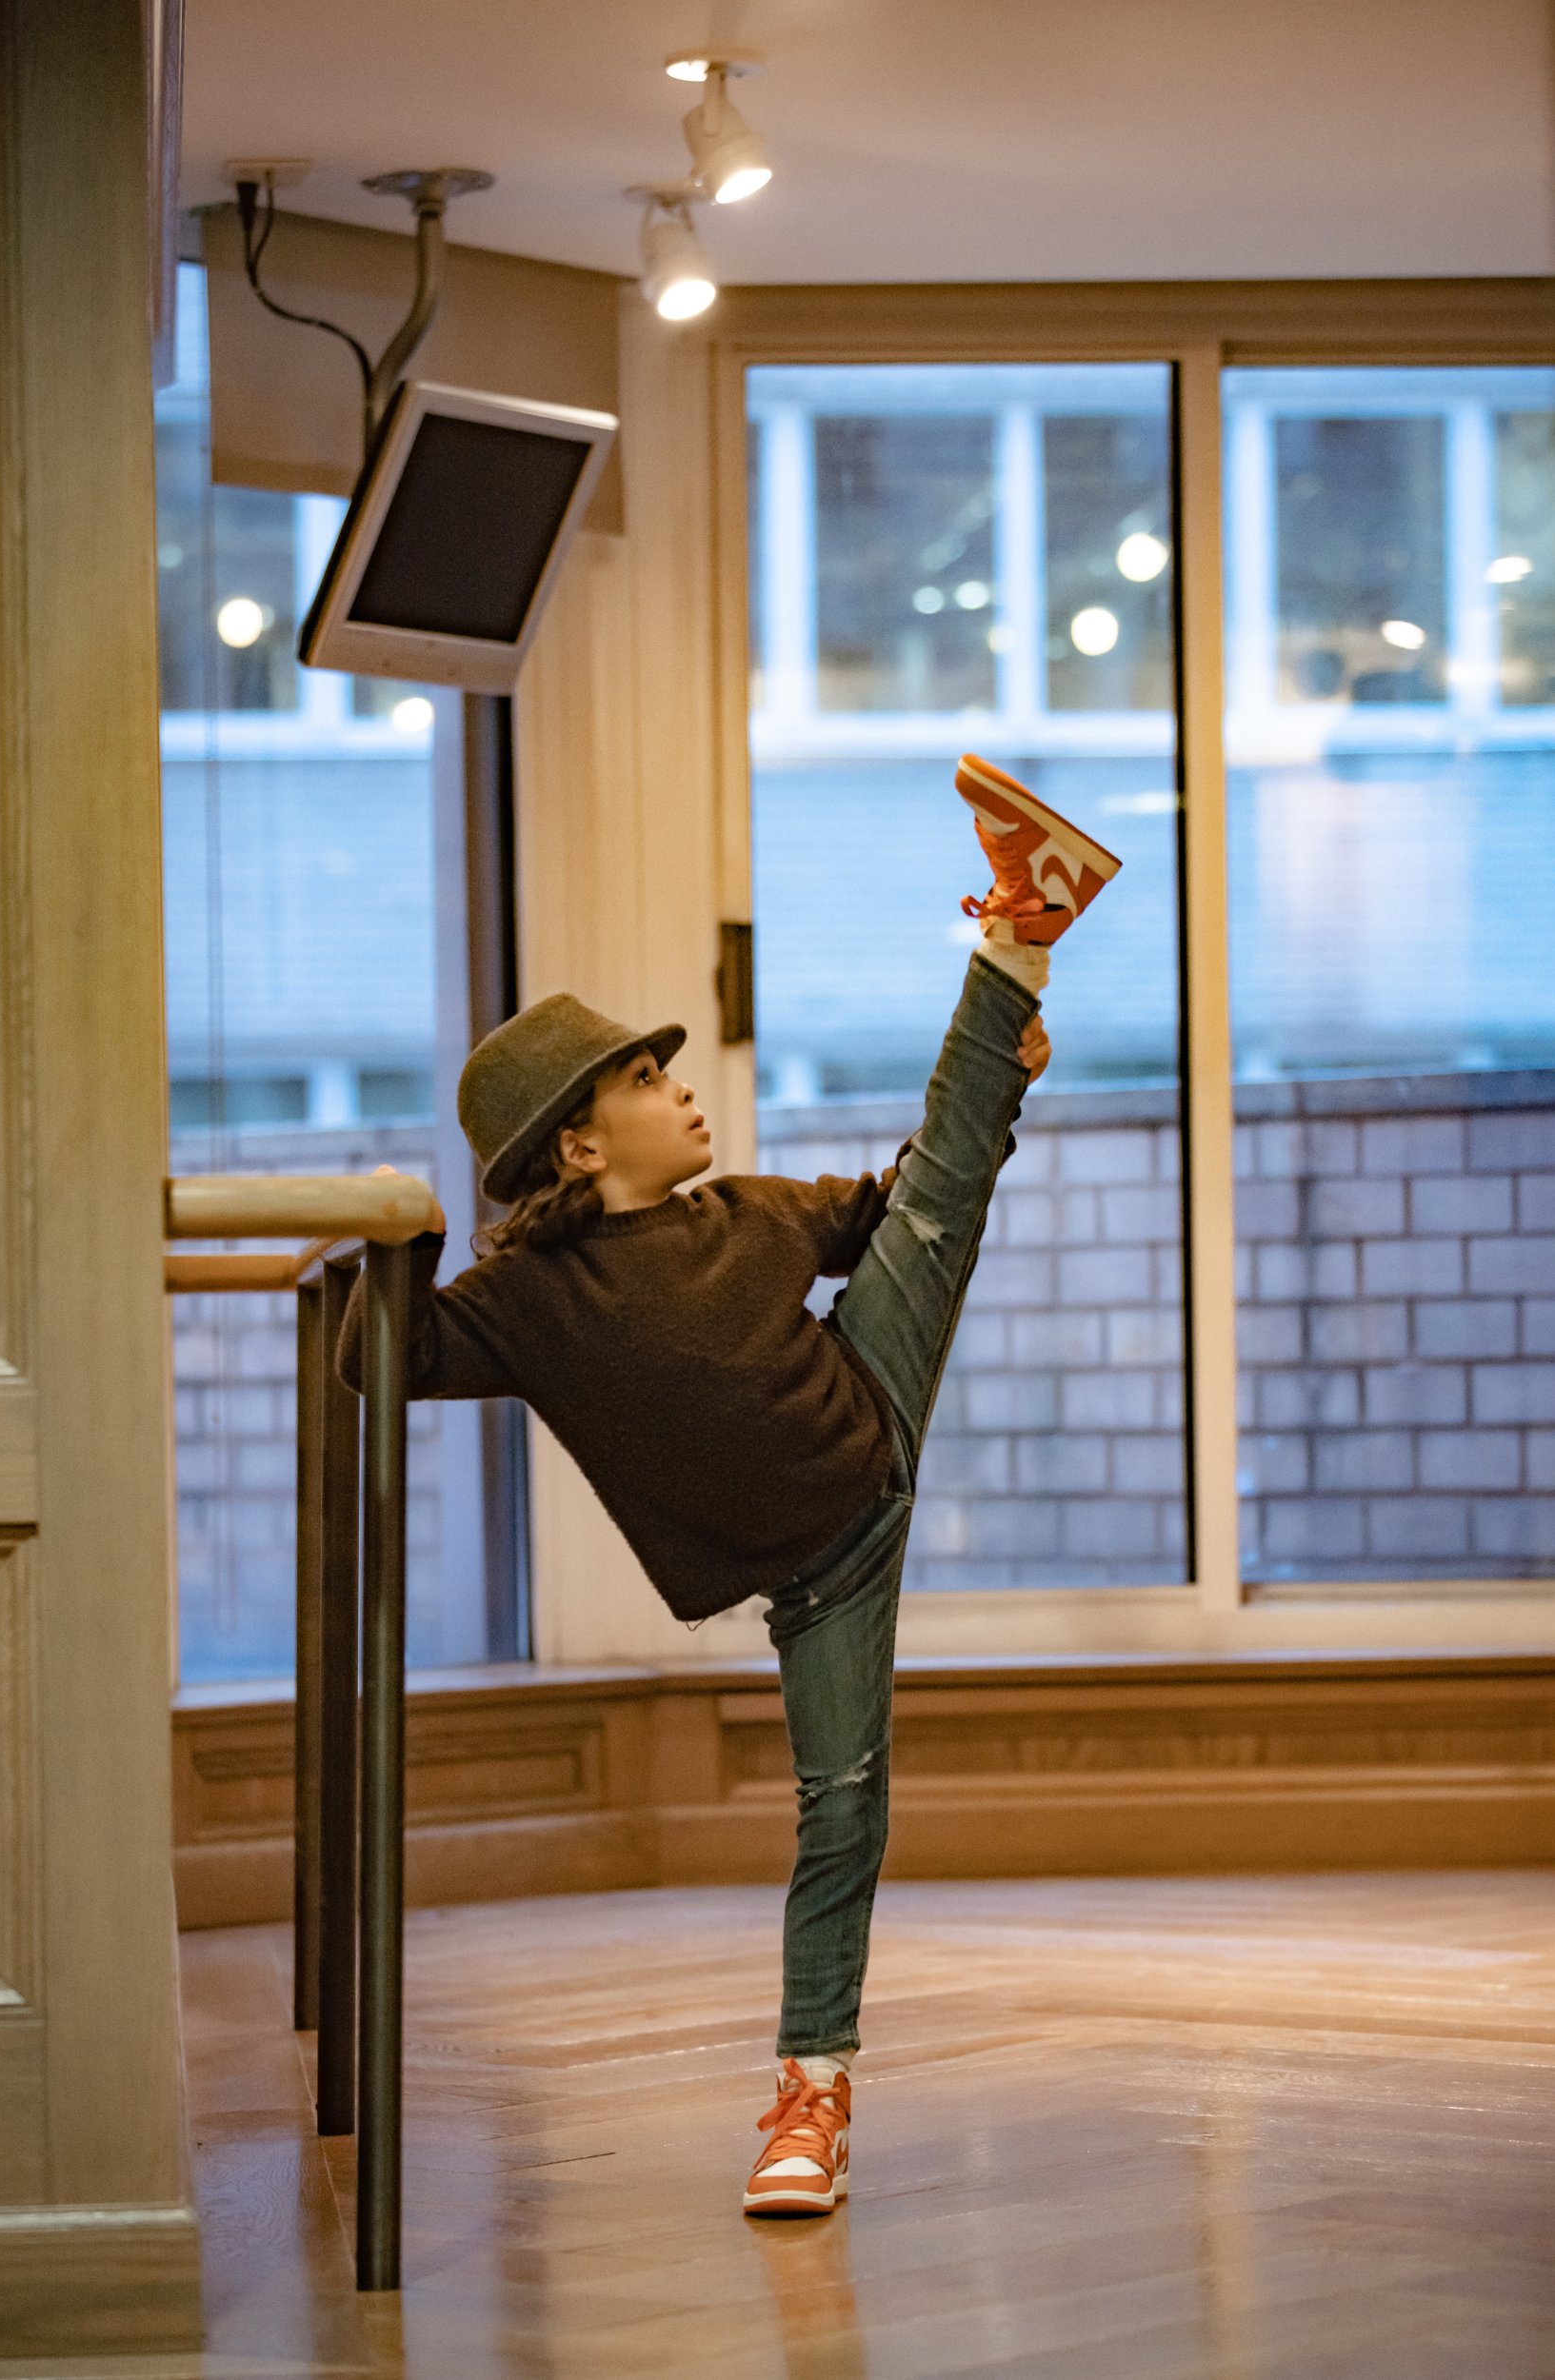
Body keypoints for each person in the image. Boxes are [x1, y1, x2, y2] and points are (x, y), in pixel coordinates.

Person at [340, 755, 1119, 2218]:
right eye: (646, 1081)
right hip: (821, 1570)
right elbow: (386, 1361)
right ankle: (808, 2104)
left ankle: (1024, 921)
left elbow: (898, 1216)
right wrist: (392, 1234)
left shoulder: (747, 1217)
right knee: (842, 1808)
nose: (679, 1089)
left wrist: (992, 1098)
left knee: (943, 1188)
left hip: (864, 1396)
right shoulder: (527, 1301)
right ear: (580, 1142)